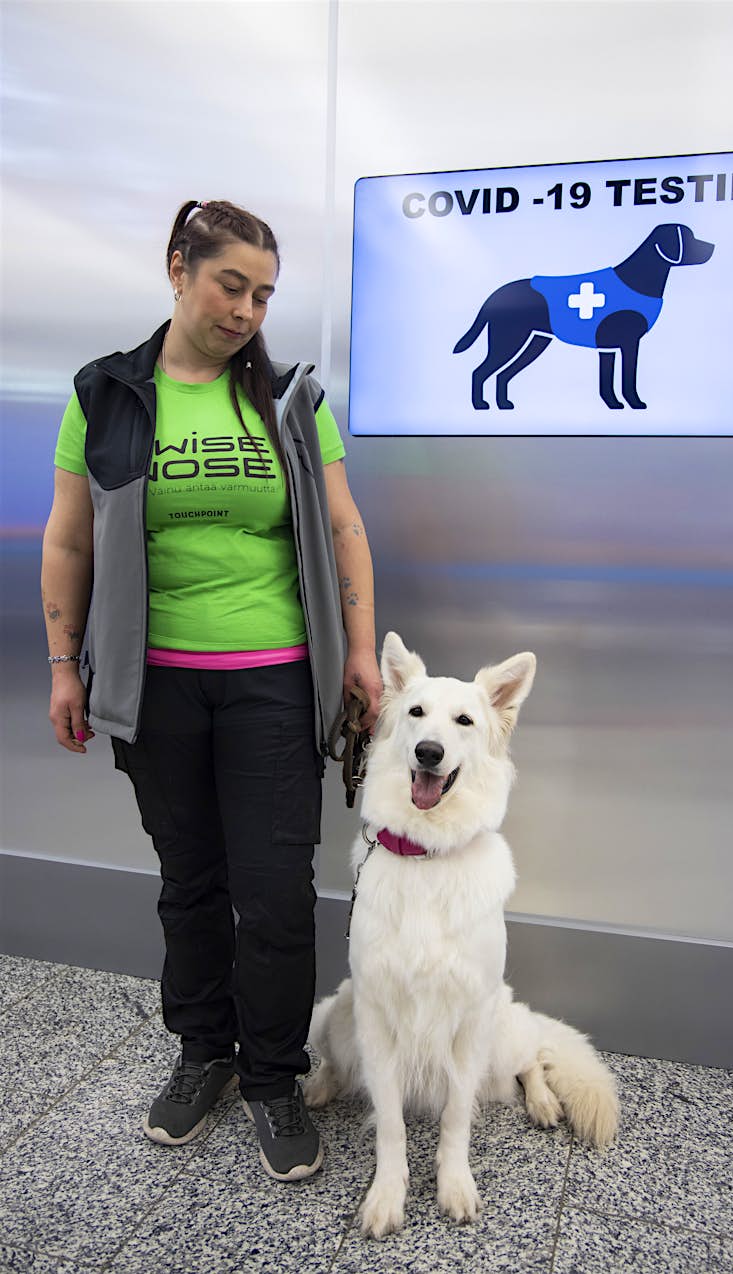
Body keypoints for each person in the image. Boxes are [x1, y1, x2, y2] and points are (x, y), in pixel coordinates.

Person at [41, 199, 382, 1182]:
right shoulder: (106, 394)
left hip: (272, 682)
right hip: (156, 687)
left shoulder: (291, 401)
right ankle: (205, 1052)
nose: (246, 310)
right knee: (190, 882)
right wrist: (63, 664)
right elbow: (68, 539)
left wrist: (361, 652)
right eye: (231, 285)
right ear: (178, 269)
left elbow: (345, 526)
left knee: (274, 893)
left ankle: (274, 1075)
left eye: (263, 295)